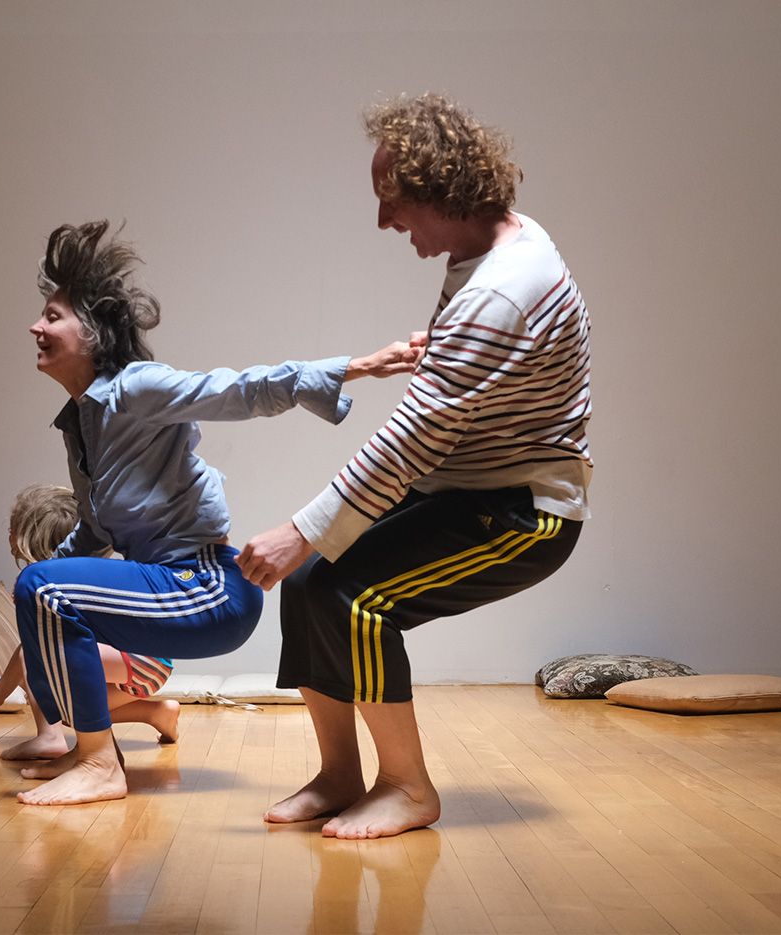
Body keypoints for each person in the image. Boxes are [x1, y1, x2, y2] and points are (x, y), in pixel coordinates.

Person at [237, 92, 593, 840]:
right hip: (470, 487)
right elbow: (483, 374)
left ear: (442, 193)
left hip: (524, 511)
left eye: (391, 202)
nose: (383, 221)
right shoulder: (498, 249)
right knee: (308, 587)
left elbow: (407, 446)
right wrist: (454, 361)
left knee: (356, 600)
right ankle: (339, 777)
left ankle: (407, 787)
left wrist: (298, 530)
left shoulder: (499, 290)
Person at [13, 219, 419, 806]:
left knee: (45, 590)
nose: (36, 326)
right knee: (41, 591)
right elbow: (95, 531)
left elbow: (238, 389)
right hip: (168, 583)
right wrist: (41, 574)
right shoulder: (83, 422)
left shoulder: (137, 387)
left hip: (208, 587)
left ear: (94, 333)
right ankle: (85, 750)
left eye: (53, 316)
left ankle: (99, 765)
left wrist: (355, 366)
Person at [0, 483, 181, 761]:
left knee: (43, 660)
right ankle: (157, 713)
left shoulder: (40, 581)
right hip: (154, 660)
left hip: (136, 657)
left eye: (12, 527)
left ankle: (48, 738)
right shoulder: (89, 571)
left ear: (27, 538)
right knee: (69, 709)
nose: (8, 533)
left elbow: (29, 649)